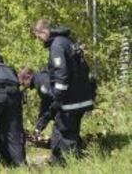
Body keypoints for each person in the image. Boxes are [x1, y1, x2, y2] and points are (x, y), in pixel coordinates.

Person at [32, 19, 94, 164]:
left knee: (61, 132)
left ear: (44, 32)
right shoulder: (68, 41)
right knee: (72, 132)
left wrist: (58, 99)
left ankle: (61, 165)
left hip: (69, 100)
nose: (39, 40)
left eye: (38, 36)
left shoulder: (57, 45)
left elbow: (61, 74)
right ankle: (76, 161)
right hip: (81, 97)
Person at [18, 67, 54, 137]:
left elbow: (53, 101)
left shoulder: (41, 81)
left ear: (28, 77)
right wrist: (38, 128)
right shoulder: (39, 78)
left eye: (23, 83)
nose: (24, 87)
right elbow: (46, 105)